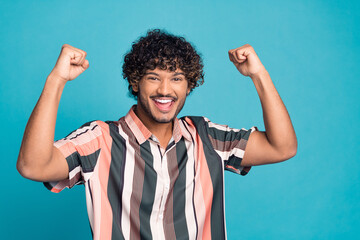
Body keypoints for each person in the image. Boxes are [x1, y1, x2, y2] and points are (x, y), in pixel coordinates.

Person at [17, 29, 297, 240]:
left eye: (176, 78)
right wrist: (56, 80)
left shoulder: (207, 138)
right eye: (153, 77)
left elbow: (281, 147)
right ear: (135, 82)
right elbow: (33, 166)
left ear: (189, 86)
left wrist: (258, 74)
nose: (165, 89)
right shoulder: (99, 139)